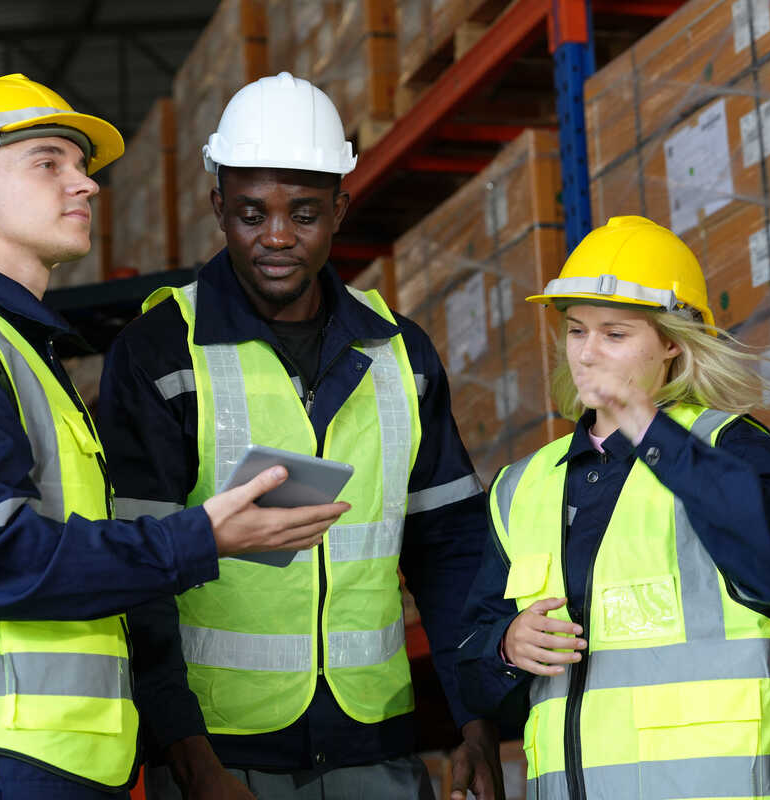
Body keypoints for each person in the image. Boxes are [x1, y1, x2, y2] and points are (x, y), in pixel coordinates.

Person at [0, 73, 349, 800]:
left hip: (47, 764)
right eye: (49, 162)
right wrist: (199, 536)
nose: (86, 185)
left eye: (81, 166)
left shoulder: (22, 355)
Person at [96, 72, 504, 800]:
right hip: (222, 756)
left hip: (373, 744)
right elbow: (138, 579)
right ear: (218, 206)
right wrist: (189, 758)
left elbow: (452, 552)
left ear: (341, 208)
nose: (277, 237)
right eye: (252, 213)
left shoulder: (400, 356)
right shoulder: (162, 353)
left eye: (305, 213)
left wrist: (477, 722)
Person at [456, 215, 770, 799]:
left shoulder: (727, 446)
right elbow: (472, 673)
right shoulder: (520, 487)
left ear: (671, 342)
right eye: (576, 330)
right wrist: (507, 646)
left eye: (615, 334)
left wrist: (652, 430)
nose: (587, 353)